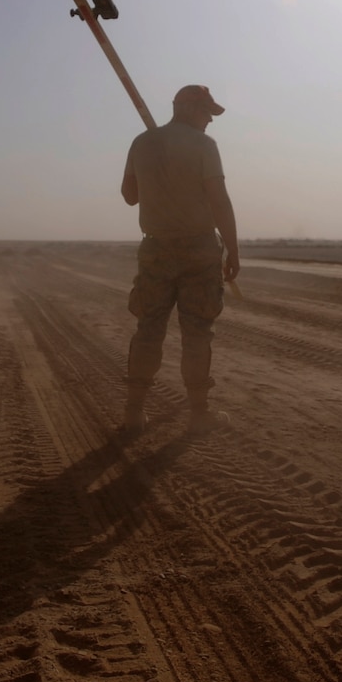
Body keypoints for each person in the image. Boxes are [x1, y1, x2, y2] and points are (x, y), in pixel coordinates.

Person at [119, 84, 240, 435]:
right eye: (207, 113)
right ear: (188, 109)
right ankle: (199, 414)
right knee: (198, 331)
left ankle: (133, 412)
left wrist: (157, 176)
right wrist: (233, 249)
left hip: (155, 250)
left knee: (148, 329)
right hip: (199, 251)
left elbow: (129, 196)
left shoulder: (142, 143)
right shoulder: (204, 146)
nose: (209, 121)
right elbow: (219, 200)